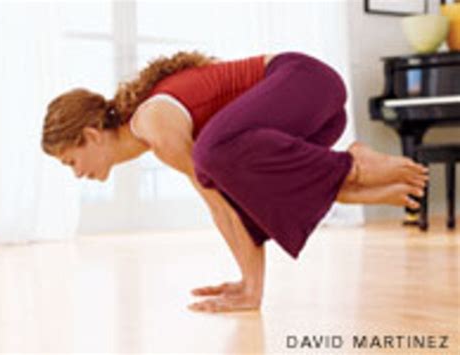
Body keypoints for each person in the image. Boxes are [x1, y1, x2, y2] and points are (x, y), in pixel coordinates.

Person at [41, 50, 429, 313]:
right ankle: (348, 185)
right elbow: (231, 201)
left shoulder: (151, 123)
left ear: (92, 136)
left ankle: (353, 167)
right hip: (314, 110)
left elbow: (217, 206)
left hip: (307, 81)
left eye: (71, 161)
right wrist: (250, 288)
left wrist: (251, 286)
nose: (77, 173)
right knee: (238, 180)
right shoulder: (153, 128)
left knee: (210, 160)